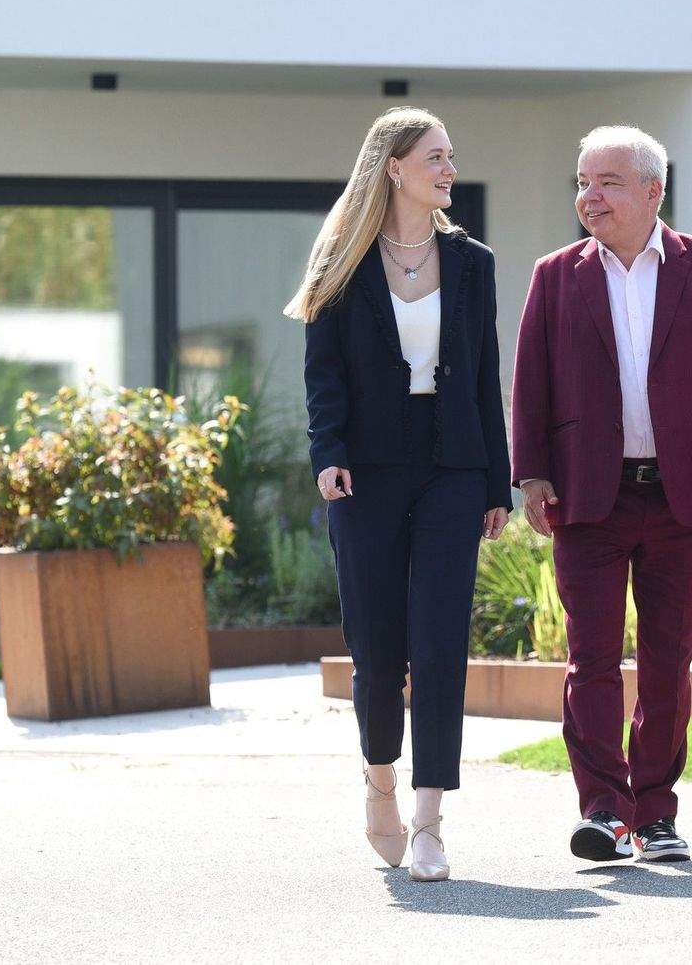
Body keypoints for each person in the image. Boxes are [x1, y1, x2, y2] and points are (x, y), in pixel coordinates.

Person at [510, 125, 692, 864]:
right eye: (582, 183)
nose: (589, 197)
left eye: (607, 182)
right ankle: (604, 810)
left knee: (668, 661)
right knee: (590, 659)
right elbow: (530, 380)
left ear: (653, 190)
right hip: (587, 498)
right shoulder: (555, 275)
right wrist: (532, 472)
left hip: (681, 496)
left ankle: (656, 813)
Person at [285, 107, 512, 881]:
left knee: (440, 644)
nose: (450, 170)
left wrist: (496, 482)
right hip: (367, 471)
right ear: (395, 167)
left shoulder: (473, 262)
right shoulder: (342, 261)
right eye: (436, 158)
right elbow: (323, 376)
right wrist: (328, 454)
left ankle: (429, 821)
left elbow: (484, 376)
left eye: (451, 156)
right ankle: (379, 781)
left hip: (453, 467)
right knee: (378, 649)